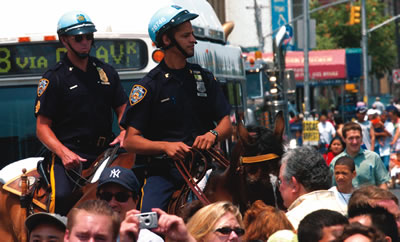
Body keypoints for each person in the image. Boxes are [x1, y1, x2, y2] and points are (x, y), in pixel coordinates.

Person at [121, 5, 232, 212]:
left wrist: (213, 134)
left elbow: (227, 124)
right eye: (186, 35)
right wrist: (165, 146)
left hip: (206, 167)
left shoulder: (205, 78)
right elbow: (130, 140)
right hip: (164, 173)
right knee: (149, 223)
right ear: (167, 40)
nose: (193, 40)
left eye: (192, 34)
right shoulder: (148, 86)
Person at [34, 11, 128, 215]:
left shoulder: (107, 72)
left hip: (106, 152)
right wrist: (63, 153)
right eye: (78, 38)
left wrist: (124, 131)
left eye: (89, 36)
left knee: (131, 186)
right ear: (64, 40)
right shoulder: (54, 78)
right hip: (69, 156)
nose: (85, 42)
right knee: (59, 199)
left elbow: (123, 111)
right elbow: (42, 128)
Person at [278, 146, 345, 230]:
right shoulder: (346, 212)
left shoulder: (288, 224)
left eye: (280, 181)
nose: (279, 188)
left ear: (294, 184)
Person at [96, 166, 163, 241]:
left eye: (121, 197)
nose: (112, 203)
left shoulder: (150, 240)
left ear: (136, 201)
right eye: (106, 196)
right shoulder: (85, 235)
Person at [330, 122, 390, 189]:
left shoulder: (373, 158)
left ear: (361, 138)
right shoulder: (336, 162)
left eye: (357, 137)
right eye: (351, 138)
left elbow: (382, 184)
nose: (355, 142)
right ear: (344, 139)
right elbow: (333, 188)